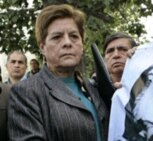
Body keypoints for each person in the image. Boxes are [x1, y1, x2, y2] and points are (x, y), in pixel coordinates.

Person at [8, 4, 108, 141]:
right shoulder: (26, 92)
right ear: (43, 47)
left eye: (74, 36)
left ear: (82, 45)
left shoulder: (93, 88)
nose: (67, 43)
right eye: (57, 37)